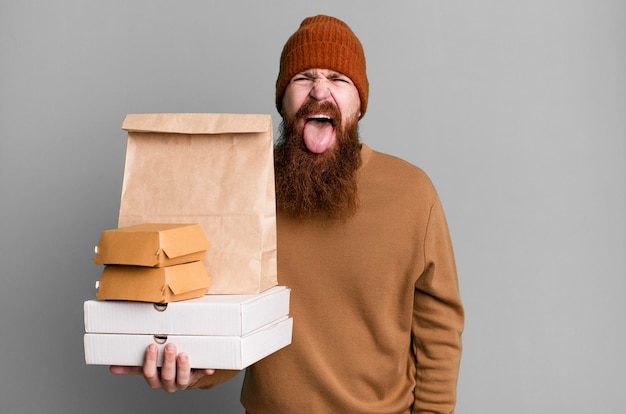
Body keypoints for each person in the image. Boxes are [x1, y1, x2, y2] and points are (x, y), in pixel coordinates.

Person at [111, 15, 464, 413]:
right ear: (282, 101)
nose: (319, 90)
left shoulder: (413, 193)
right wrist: (198, 369)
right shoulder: (245, 186)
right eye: (303, 78)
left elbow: (438, 331)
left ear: (360, 103)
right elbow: (232, 311)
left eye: (338, 78)